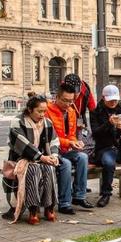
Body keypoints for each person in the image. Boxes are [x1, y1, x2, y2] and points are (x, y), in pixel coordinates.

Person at [4, 94, 60, 224]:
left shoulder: (47, 122)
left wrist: (53, 156)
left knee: (50, 169)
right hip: (22, 159)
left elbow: (54, 141)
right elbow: (20, 143)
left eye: (45, 111)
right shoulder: (17, 121)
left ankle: (49, 207)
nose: (42, 114)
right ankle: (33, 210)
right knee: (34, 170)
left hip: (42, 158)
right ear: (30, 109)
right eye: (39, 111)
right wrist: (41, 157)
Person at [46, 83, 94, 215]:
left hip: (66, 149)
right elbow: (50, 137)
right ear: (57, 97)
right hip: (51, 151)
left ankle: (79, 196)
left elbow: (71, 134)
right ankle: (64, 203)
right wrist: (69, 143)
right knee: (65, 164)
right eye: (65, 100)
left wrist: (75, 142)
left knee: (83, 157)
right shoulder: (48, 111)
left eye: (71, 101)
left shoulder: (72, 111)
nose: (68, 104)